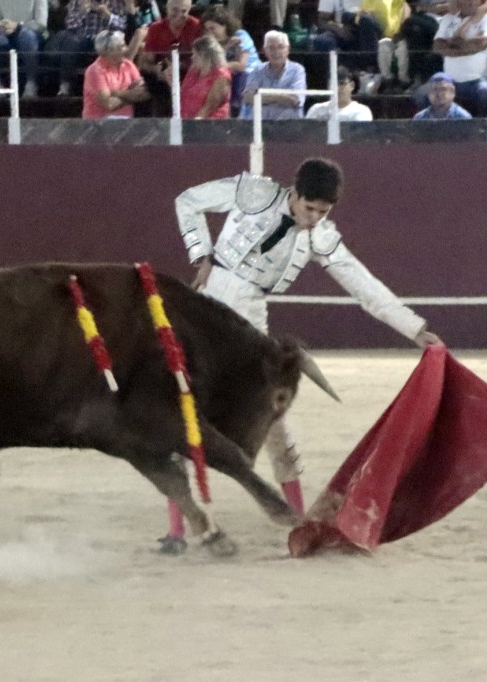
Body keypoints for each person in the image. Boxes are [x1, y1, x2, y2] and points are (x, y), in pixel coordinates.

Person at [168, 157, 442, 553]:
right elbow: (188, 200)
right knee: (180, 410)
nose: (313, 218)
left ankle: (297, 521)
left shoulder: (320, 238)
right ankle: (177, 530)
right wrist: (202, 254)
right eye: (309, 208)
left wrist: (414, 328)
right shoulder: (255, 192)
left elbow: (363, 285)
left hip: (249, 317)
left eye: (322, 212)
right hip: (205, 308)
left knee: (271, 419)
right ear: (293, 193)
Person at [45, 0, 129, 97]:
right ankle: (65, 87)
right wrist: (83, 10)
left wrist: (108, 15)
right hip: (83, 37)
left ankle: (112, 88)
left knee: (112, 45)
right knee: (71, 42)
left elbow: (123, 25)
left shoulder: (116, 2)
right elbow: (70, 25)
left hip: (106, 38)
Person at [429, 0, 487, 115]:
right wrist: (467, 46)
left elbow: (481, 44)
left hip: (478, 80)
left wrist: (451, 43)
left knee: (485, 91)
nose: (470, 2)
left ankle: (483, 126)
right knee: (423, 94)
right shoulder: (448, 18)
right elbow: (437, 47)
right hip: (449, 81)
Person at [136, 0, 201, 115]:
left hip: (191, 74)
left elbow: (204, 58)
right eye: (175, 10)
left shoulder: (197, 26)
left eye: (184, 11)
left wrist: (179, 66)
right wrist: (158, 69)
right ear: (167, 9)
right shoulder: (156, 28)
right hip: (163, 77)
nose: (179, 15)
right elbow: (144, 63)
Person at [0, 0, 45, 97]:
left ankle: (31, 83)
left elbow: (41, 24)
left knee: (26, 35)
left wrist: (18, 26)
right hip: (4, 34)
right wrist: (0, 26)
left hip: (30, 35)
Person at [201, 5, 260, 116]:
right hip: (228, 77)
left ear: (224, 26)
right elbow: (212, 64)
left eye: (213, 28)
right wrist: (227, 46)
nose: (210, 33)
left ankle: (236, 110)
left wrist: (221, 66)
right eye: (207, 29)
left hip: (250, 75)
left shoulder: (241, 35)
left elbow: (242, 65)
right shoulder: (213, 43)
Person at [311, 0, 385, 85]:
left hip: (368, 30)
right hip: (341, 29)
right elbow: (322, 20)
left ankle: (370, 74)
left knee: (365, 20)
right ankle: (344, 74)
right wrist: (339, 29)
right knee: (322, 41)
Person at [81, 28, 148, 117]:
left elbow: (144, 93)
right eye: (122, 46)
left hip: (126, 121)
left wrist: (117, 93)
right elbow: (109, 104)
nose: (126, 49)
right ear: (109, 51)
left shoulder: (128, 65)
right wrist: (132, 95)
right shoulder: (95, 71)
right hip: (100, 122)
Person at [240, 30, 306, 119]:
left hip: (288, 123)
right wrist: (280, 98)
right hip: (260, 122)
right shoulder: (257, 71)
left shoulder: (297, 70)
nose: (276, 51)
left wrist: (262, 97)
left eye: (281, 47)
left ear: (288, 49)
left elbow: (295, 99)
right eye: (271, 48)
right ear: (264, 51)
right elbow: (248, 98)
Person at [180, 33, 231, 118]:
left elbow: (209, 108)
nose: (192, 57)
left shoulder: (221, 76)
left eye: (195, 54)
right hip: (186, 120)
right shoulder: (193, 71)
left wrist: (193, 124)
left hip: (209, 123)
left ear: (204, 56)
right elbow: (183, 93)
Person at [305, 64, 374, 120]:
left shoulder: (361, 111)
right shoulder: (316, 109)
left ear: (352, 85)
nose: (337, 88)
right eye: (333, 84)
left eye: (341, 84)